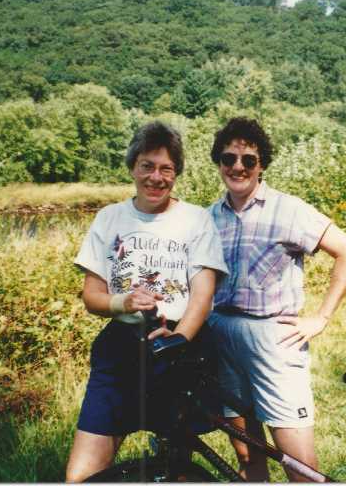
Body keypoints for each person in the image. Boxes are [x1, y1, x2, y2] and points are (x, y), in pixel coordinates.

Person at [65, 121, 228, 482]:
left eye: (166, 168)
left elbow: (203, 293)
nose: (156, 177)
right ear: (132, 168)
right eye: (147, 166)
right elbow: (92, 296)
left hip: (179, 349)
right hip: (121, 349)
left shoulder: (195, 220)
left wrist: (180, 337)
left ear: (177, 172)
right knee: (81, 476)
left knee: (176, 469)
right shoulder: (110, 219)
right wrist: (123, 302)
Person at [206, 117, 346, 482]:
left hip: (273, 339)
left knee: (300, 467)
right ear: (219, 163)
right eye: (229, 158)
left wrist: (321, 317)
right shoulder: (209, 217)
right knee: (247, 454)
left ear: (262, 165)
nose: (238, 167)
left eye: (249, 160)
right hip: (221, 334)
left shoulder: (288, 209)